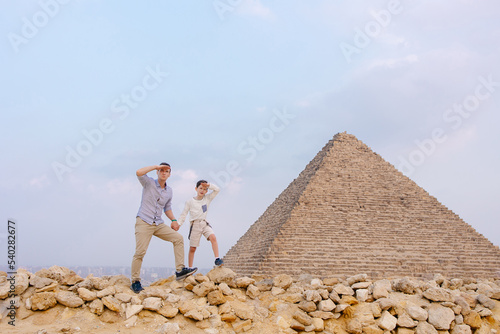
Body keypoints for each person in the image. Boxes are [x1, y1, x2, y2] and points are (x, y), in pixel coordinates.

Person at [131, 162, 197, 293]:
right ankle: (135, 281)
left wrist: (173, 220)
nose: (163, 172)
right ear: (157, 172)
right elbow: (139, 172)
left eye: (166, 171)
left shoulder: (169, 191)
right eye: (161, 170)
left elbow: (167, 207)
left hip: (158, 223)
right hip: (144, 221)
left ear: (169, 174)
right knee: (140, 252)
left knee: (178, 238)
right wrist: (155, 166)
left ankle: (180, 270)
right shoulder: (148, 182)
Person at [178, 180, 223, 268]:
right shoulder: (189, 201)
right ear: (196, 189)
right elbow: (184, 214)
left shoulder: (207, 198)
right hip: (195, 225)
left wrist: (209, 185)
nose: (202, 190)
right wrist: (179, 224)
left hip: (204, 223)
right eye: (200, 188)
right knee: (193, 248)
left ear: (207, 191)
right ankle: (190, 267)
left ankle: (217, 258)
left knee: (213, 237)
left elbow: (217, 189)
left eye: (205, 189)